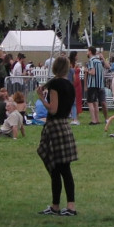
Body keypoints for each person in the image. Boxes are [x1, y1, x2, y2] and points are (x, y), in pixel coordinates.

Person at [36, 56, 79, 217]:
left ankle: (60, 206)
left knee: (56, 169)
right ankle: (67, 206)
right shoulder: (70, 85)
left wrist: (41, 98)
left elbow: (53, 109)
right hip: (64, 125)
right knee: (63, 169)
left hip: (54, 127)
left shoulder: (55, 84)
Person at [85, 47, 107, 125]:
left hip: (92, 84)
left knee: (90, 102)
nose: (87, 52)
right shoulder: (98, 61)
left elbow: (93, 72)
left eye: (87, 51)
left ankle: (93, 120)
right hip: (99, 84)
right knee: (95, 103)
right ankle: (97, 120)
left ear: (90, 52)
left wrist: (87, 70)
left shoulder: (91, 60)